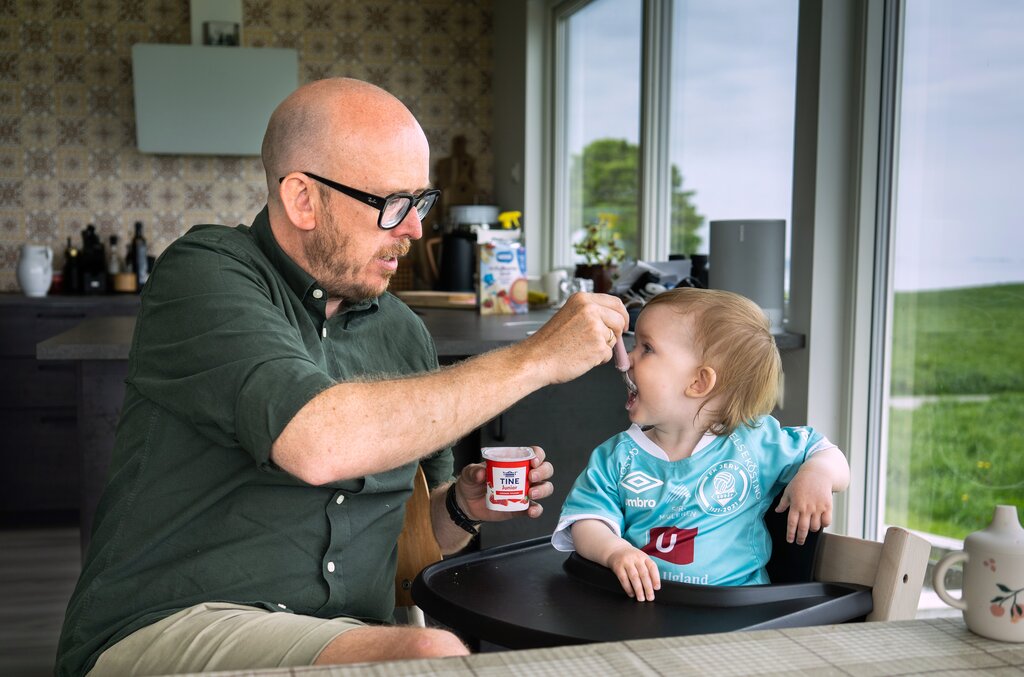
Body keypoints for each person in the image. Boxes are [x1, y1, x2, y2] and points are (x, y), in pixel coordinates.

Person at [56, 77, 629, 676]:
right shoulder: (203, 275)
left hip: (354, 635)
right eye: (392, 205)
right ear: (303, 198)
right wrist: (535, 357)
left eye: (421, 203)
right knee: (429, 654)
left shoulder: (403, 331)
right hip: (178, 620)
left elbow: (419, 541)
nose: (414, 230)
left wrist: (461, 508)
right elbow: (319, 442)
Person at [552, 288, 850, 601]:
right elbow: (587, 521)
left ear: (698, 382)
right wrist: (614, 551)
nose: (627, 360)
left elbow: (827, 453)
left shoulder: (753, 442)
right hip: (644, 613)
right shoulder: (617, 457)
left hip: (739, 619)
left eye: (646, 348)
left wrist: (817, 473)